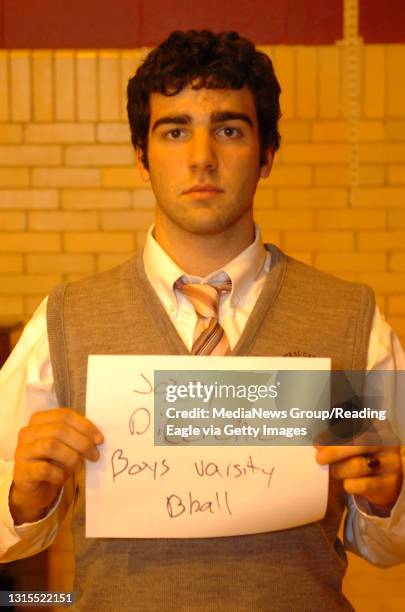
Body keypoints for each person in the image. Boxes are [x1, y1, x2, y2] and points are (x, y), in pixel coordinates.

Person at [0, 29, 404, 611]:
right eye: (175, 130)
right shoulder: (64, 322)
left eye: (230, 129)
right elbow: (9, 534)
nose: (201, 157)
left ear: (267, 154)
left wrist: (386, 496)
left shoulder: (351, 323)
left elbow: (387, 544)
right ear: (142, 156)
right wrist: (25, 497)